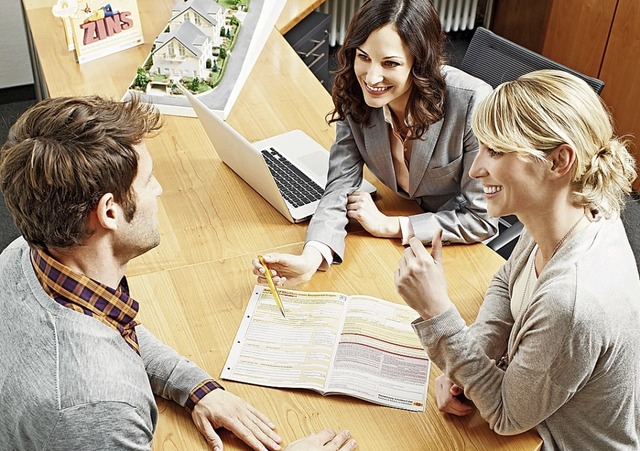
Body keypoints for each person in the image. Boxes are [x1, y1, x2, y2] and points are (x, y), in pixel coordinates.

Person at [0, 95, 356, 451]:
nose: (159, 190)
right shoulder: (99, 407)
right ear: (110, 212)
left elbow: (115, 328)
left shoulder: (26, 253)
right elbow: (96, 385)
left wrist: (196, 387)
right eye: (148, 180)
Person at [395, 70, 640, 450]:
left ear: (559, 161)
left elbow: (507, 416)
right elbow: (506, 281)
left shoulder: (572, 301)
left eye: (495, 151)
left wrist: (438, 312)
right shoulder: (568, 209)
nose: (476, 170)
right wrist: (470, 355)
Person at [253, 0, 497, 286]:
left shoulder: (472, 103)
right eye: (363, 57)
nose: (371, 77)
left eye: (390, 63)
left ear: (420, 63)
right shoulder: (355, 92)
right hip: (407, 239)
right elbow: (340, 184)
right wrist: (312, 257)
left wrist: (392, 225)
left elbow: (481, 219)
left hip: (458, 252)